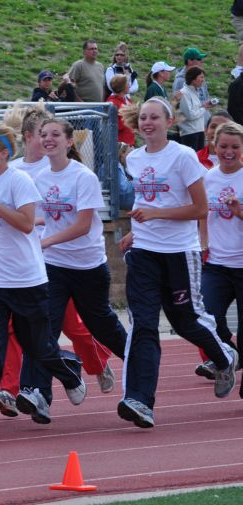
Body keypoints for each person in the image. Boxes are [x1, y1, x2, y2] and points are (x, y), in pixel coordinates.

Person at [0, 120, 86, 442]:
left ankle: (69, 369)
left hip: (27, 281)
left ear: (4, 152)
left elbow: (26, 224)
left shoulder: (19, 180)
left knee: (38, 346)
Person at [117, 97, 237, 429]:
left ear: (169, 123)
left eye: (154, 117)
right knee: (142, 324)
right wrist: (135, 231)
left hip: (180, 254)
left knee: (186, 322)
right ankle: (139, 399)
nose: (147, 122)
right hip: (143, 253)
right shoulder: (135, 158)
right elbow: (145, 201)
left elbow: (200, 209)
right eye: (143, 117)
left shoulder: (183, 157)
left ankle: (224, 355)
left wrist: (156, 215)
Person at [17, 118, 128, 423]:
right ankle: (38, 394)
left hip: (87, 265)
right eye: (44, 135)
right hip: (53, 266)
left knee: (101, 324)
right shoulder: (38, 177)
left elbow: (82, 225)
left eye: (55, 135)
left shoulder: (82, 177)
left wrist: (46, 241)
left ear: (69, 142)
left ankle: (138, 360)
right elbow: (38, 219)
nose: (48, 139)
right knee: (43, 325)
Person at [197, 121, 243, 391]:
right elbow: (202, 213)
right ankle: (228, 355)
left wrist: (239, 211)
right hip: (216, 264)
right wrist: (203, 242)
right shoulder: (207, 178)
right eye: (223, 146)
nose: (228, 152)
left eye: (235, 147)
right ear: (214, 145)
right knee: (206, 318)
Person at [179, 67, 210, 151]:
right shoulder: (184, 93)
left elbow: (194, 111)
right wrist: (204, 108)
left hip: (198, 131)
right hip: (190, 133)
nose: (203, 80)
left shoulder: (194, 92)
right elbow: (190, 115)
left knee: (199, 160)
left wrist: (203, 106)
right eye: (201, 77)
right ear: (193, 79)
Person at [107, 74, 136, 146]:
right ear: (122, 86)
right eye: (127, 83)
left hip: (129, 140)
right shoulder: (112, 103)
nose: (129, 86)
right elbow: (113, 125)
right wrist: (130, 119)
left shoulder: (127, 100)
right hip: (120, 143)